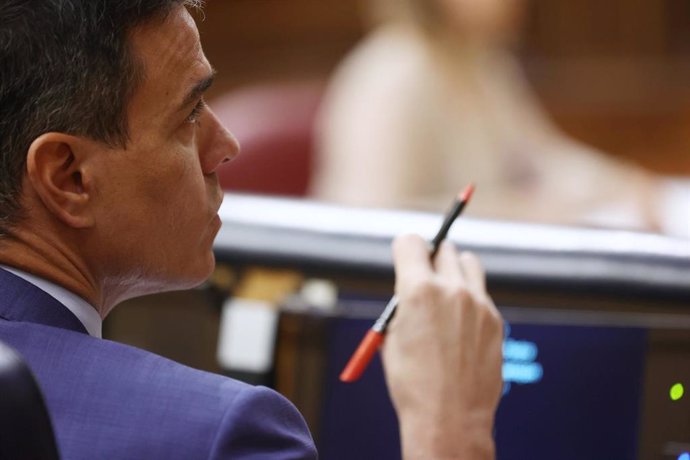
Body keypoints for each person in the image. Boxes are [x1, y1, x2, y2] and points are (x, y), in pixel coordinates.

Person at [0, 1, 504, 459]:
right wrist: (450, 434)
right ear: (68, 177)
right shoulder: (224, 435)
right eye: (191, 112)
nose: (226, 145)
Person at [311, 0, 668, 231]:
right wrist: (523, 211)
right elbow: (366, 220)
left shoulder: (483, 63)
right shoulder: (392, 73)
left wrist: (619, 183)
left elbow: (545, 157)